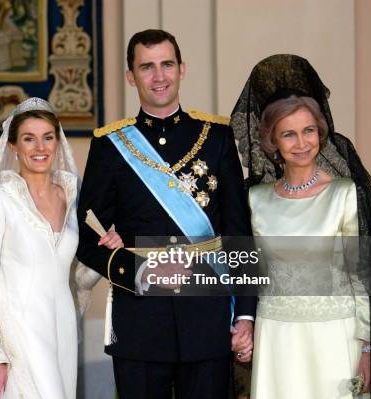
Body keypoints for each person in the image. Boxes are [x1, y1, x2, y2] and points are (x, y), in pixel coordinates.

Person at [76, 29, 256, 399]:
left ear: (181, 69)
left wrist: (246, 315)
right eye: (147, 67)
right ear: (131, 77)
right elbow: (84, 233)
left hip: (207, 317)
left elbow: (240, 232)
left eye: (166, 65)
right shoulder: (110, 145)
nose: (159, 76)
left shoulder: (217, 137)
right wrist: (129, 267)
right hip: (139, 321)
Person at [230, 54, 371, 398]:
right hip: (276, 337)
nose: (301, 143)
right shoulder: (255, 199)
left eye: (308, 131)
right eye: (289, 134)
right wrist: (245, 325)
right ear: (272, 142)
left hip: (335, 337)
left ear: (321, 132)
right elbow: (246, 271)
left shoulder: (346, 194)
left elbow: (363, 278)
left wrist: (367, 349)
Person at [0, 97, 121, 399]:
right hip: (18, 332)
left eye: (47, 137)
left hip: (61, 328)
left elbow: (78, 278)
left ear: (57, 141)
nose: (40, 147)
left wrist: (108, 251)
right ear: (13, 146)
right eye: (29, 139)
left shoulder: (74, 196)